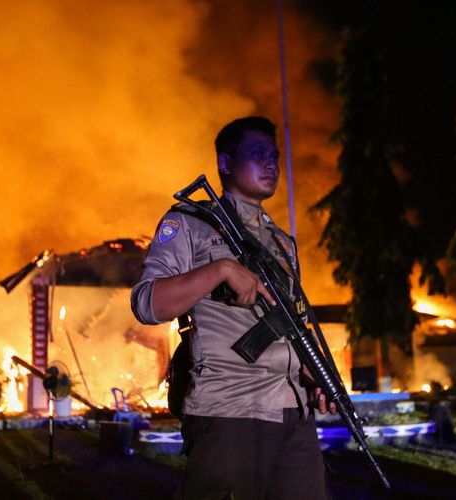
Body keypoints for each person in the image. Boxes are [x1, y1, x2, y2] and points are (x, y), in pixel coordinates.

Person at [131, 116, 333, 499]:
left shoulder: (281, 243)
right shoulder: (190, 223)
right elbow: (146, 302)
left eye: (274, 156)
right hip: (230, 410)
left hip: (292, 412)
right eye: (258, 154)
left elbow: (291, 324)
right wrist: (221, 269)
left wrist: (314, 373)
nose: (271, 164)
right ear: (225, 163)